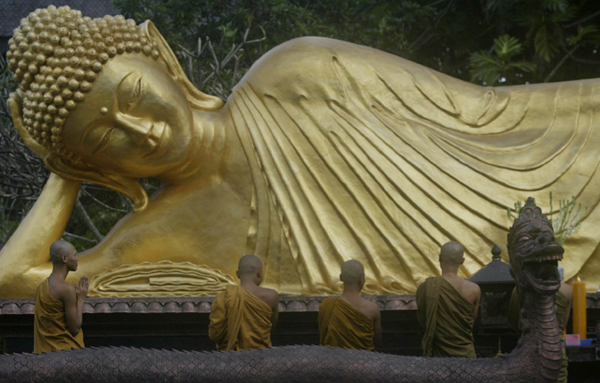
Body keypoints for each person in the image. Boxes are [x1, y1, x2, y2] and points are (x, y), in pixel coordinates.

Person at [4, 6, 600, 300]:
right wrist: (64, 170)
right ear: (99, 166)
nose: (142, 131)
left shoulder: (300, 68)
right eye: (105, 140)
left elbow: (481, 119)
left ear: (162, 62)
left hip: (512, 232)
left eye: (134, 94)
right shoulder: (164, 230)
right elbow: (14, 279)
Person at [508, 268, 572, 383]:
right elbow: (563, 325)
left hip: (527, 349)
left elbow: (514, 322)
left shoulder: (518, 291)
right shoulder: (567, 290)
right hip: (555, 349)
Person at [416, 242, 481, 357]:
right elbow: (471, 324)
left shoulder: (426, 287)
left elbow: (423, 321)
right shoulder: (474, 289)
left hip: (437, 359)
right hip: (465, 356)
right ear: (462, 261)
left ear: (440, 258)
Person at [209, 255, 279, 351]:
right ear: (259, 272)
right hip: (260, 357)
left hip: (230, 359)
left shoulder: (224, 297)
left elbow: (215, 333)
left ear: (238, 274)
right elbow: (272, 327)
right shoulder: (271, 296)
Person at [34, 240, 88, 353]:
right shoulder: (66, 290)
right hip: (64, 356)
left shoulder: (41, 288)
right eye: (74, 254)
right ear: (64, 258)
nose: (77, 258)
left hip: (44, 354)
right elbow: (74, 329)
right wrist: (81, 298)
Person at [319, 260, 382, 350]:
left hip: (334, 362)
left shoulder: (326, 306)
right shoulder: (372, 309)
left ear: (341, 277)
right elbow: (377, 341)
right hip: (363, 362)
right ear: (362, 278)